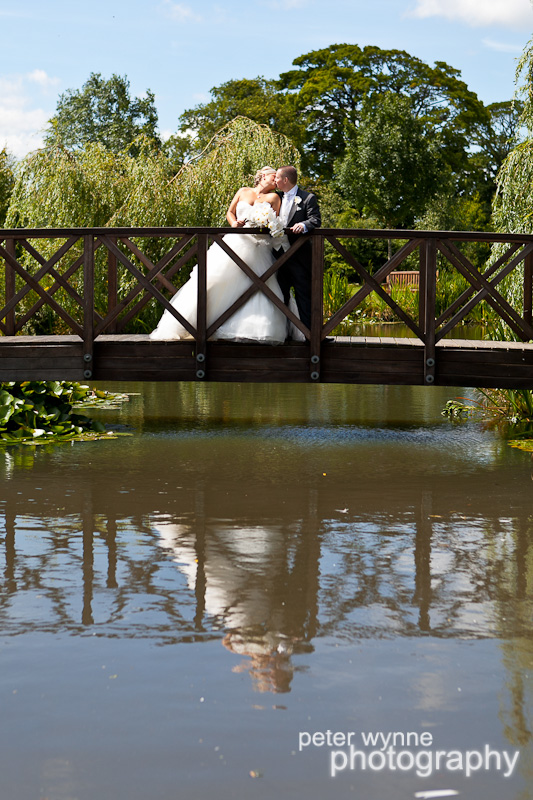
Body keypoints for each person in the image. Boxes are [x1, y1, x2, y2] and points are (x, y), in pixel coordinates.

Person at [149, 167, 291, 343]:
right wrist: (234, 224)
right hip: (235, 241)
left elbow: (276, 223)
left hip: (258, 246)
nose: (277, 179)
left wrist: (264, 224)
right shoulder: (243, 191)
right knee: (214, 279)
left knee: (255, 284)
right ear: (263, 176)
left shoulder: (275, 197)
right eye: (273, 176)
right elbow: (230, 212)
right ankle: (197, 323)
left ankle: (248, 328)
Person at [273, 166, 321, 333]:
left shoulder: (308, 198)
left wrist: (303, 224)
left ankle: (310, 335)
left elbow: (315, 220)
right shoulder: (276, 197)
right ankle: (283, 334)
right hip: (278, 256)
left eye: (277, 177)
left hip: (299, 257)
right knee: (280, 296)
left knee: (304, 296)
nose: (275, 180)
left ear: (285, 180)